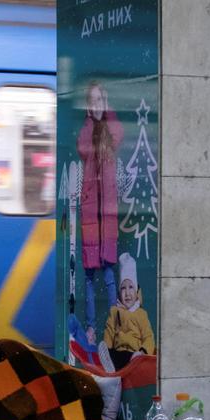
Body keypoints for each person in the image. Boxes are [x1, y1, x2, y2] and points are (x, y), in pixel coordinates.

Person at [78, 81, 123, 345]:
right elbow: (83, 147)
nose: (96, 106)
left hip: (106, 215)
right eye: (92, 101)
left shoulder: (111, 130)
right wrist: (92, 121)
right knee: (90, 277)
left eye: (100, 101)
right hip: (90, 215)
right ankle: (93, 328)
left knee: (108, 274)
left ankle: (115, 325)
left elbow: (118, 133)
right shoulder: (87, 132)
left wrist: (107, 112)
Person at [97, 253, 155, 373]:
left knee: (131, 357)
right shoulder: (115, 311)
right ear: (119, 292)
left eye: (130, 287)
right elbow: (109, 332)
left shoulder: (141, 314)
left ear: (137, 290)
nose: (127, 293)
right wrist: (107, 348)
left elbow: (148, 336)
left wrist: (143, 351)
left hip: (134, 354)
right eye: (123, 288)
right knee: (113, 354)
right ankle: (109, 364)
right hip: (118, 352)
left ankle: (117, 367)